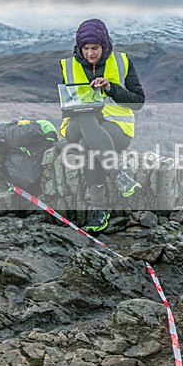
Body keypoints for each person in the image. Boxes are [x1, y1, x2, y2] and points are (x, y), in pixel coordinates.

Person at [59, 18, 144, 235]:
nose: (90, 53)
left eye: (95, 48)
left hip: (115, 128)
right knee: (85, 117)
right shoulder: (68, 65)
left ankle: (98, 209)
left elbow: (138, 102)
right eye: (85, 48)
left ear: (104, 46)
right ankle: (116, 173)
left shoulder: (123, 62)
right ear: (79, 47)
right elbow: (64, 106)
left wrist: (111, 88)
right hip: (75, 126)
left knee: (88, 147)